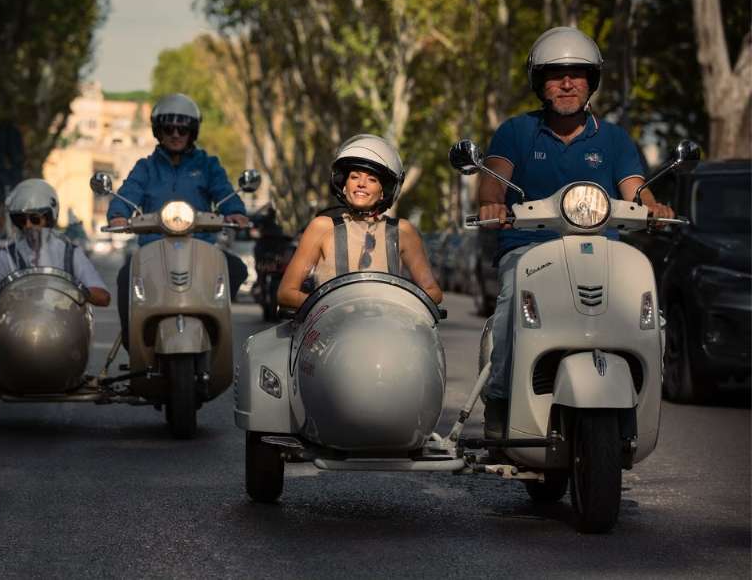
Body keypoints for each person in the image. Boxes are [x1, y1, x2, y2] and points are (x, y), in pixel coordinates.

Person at [476, 26, 674, 438]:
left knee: (645, 307)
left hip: (600, 249)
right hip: (530, 249)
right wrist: (492, 204)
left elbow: (634, 189)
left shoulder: (614, 139)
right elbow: (493, 183)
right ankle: (499, 399)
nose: (567, 83)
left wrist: (652, 206)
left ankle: (644, 394)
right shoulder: (516, 132)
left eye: (577, 74)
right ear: (539, 83)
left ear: (591, 83)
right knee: (512, 299)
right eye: (555, 74)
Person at [107, 93, 249, 344]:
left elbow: (224, 192)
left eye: (182, 129)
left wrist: (235, 211)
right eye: (168, 128)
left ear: (192, 132)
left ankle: (213, 323)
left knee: (237, 268)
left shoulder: (208, 165)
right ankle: (135, 341)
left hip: (201, 250)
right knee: (126, 276)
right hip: (153, 251)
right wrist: (118, 214)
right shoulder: (146, 167)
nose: (175, 134)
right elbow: (129, 191)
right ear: (158, 131)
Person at [277, 134, 443, 310]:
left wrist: (397, 304)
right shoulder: (321, 227)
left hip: (388, 329)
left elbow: (433, 291)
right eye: (354, 177)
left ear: (383, 192)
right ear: (343, 184)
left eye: (372, 179)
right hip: (332, 329)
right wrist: (330, 306)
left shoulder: (403, 231)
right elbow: (286, 292)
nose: (361, 184)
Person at [0, 179, 111, 306]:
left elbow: (103, 297)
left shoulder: (69, 254)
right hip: (20, 324)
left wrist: (74, 290)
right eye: (21, 220)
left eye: (35, 219)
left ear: (49, 218)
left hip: (63, 322)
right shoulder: (6, 256)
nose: (28, 225)